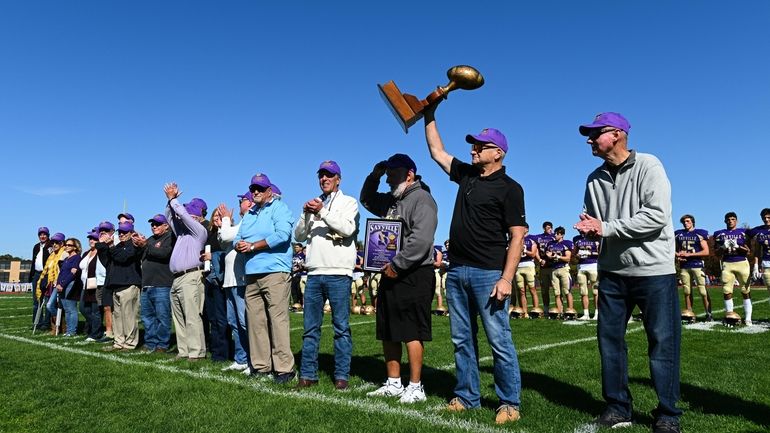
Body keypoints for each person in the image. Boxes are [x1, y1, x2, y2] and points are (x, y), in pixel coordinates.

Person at [574, 112, 681, 433]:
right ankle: (618, 407)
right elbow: (595, 219)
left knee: (663, 342)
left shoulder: (649, 165)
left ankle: (667, 414)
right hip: (612, 273)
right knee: (609, 342)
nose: (590, 140)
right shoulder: (593, 178)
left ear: (617, 134)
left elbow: (656, 217)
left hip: (653, 272)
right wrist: (589, 227)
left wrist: (605, 227)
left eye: (595, 134)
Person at [424, 105, 526, 424]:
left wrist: (506, 278)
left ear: (498, 153)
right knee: (461, 338)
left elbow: (518, 236)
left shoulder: (511, 188)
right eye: (473, 145)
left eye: (480, 146)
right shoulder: (467, 175)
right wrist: (429, 114)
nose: (473, 149)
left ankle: (509, 402)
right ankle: (467, 395)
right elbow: (436, 151)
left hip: (489, 274)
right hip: (457, 272)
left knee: (499, 339)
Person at [360, 153, 437, 404]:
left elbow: (421, 239)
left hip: (414, 273)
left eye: (394, 173)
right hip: (390, 272)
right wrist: (374, 175)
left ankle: (416, 386)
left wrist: (398, 264)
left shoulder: (422, 198)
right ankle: (394, 382)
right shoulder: (392, 200)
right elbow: (367, 199)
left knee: (412, 330)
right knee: (389, 329)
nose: (389, 179)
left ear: (410, 174)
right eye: (388, 173)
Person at [295, 160, 359, 390]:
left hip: (339, 273)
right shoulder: (314, 204)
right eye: (321, 175)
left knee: (340, 327)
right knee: (310, 329)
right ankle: (308, 374)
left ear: (338, 179)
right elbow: (299, 235)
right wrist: (305, 213)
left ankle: (342, 375)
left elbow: (347, 229)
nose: (324, 179)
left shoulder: (349, 202)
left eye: (329, 175)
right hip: (314, 272)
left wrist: (321, 211)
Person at [233, 173, 295, 383]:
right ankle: (261, 366)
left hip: (275, 271)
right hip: (252, 273)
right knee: (255, 321)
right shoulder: (250, 213)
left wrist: (252, 245)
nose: (256, 192)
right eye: (253, 189)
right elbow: (237, 238)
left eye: (260, 188)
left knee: (277, 320)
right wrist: (239, 245)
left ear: (269, 191)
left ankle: (284, 368)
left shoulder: (280, 208)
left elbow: (283, 234)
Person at [165, 183, 208, 361]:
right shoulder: (182, 233)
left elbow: (181, 214)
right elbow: (170, 216)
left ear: (197, 216)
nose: (185, 215)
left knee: (192, 316)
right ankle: (184, 351)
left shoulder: (199, 230)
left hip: (191, 276)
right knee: (179, 317)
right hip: (176, 278)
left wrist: (174, 200)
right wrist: (170, 203)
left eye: (191, 213)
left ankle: (196, 352)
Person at [217, 194, 252, 372]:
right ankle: (241, 358)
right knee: (234, 322)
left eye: (242, 200)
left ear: (250, 203)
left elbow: (226, 235)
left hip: (241, 280)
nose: (239, 203)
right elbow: (223, 241)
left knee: (244, 321)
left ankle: (253, 360)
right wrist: (225, 224)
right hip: (230, 280)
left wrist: (225, 220)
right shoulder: (239, 223)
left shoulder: (248, 221)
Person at [133, 214, 176, 353]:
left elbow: (164, 254)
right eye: (152, 224)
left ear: (166, 225)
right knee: (147, 317)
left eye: (157, 224)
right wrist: (138, 245)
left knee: (162, 317)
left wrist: (145, 245)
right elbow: (140, 257)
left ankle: (162, 345)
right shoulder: (150, 240)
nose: (154, 226)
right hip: (147, 284)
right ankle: (150, 342)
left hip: (162, 284)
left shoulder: (170, 238)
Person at [97, 221, 143, 351]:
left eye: (125, 232)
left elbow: (123, 258)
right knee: (117, 317)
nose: (122, 234)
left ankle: (130, 343)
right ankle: (119, 342)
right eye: (120, 232)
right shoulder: (117, 247)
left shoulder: (134, 245)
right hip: (116, 286)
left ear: (131, 233)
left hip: (129, 285)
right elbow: (106, 260)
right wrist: (101, 243)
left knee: (129, 317)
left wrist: (111, 245)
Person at [713, 212, 752, 325]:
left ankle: (748, 318)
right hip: (727, 263)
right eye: (728, 219)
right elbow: (716, 253)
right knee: (726, 291)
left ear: (736, 221)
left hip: (741, 262)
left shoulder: (743, 232)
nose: (730, 221)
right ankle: (730, 315)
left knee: (745, 290)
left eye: (733, 219)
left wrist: (737, 246)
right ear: (725, 221)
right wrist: (723, 247)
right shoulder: (719, 234)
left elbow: (748, 251)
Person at [203, 206, 229, 363]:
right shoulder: (210, 235)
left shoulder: (226, 235)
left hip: (221, 279)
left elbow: (228, 253)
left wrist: (212, 255)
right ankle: (215, 350)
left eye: (219, 217)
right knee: (212, 316)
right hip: (209, 278)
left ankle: (223, 352)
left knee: (221, 318)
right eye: (214, 216)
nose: (216, 219)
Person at [674, 214, 711, 320]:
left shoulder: (700, 233)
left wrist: (689, 255)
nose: (686, 223)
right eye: (684, 222)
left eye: (688, 221)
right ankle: (689, 313)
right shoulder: (678, 234)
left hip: (697, 265)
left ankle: (708, 313)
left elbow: (706, 251)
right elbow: (673, 248)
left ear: (692, 222)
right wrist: (678, 255)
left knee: (702, 291)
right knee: (687, 291)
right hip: (684, 265)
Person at [79, 230, 106, 341]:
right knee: (83, 309)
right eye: (90, 238)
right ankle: (97, 328)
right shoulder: (86, 253)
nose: (91, 240)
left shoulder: (100, 252)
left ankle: (95, 333)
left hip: (96, 284)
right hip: (85, 285)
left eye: (94, 238)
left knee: (95, 310)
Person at [56, 238, 83, 337]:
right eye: (66, 245)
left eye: (69, 245)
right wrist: (58, 283)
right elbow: (62, 273)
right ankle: (68, 330)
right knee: (66, 309)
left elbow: (73, 273)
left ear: (75, 247)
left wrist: (62, 284)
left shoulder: (77, 258)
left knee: (71, 308)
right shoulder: (66, 259)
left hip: (70, 285)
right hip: (62, 285)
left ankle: (72, 331)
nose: (66, 246)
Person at [40, 233, 67, 334]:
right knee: (53, 305)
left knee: (51, 305)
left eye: (57, 242)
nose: (54, 244)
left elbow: (63, 270)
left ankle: (61, 326)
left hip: (59, 283)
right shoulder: (52, 255)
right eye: (53, 243)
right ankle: (55, 328)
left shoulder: (64, 254)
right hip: (50, 284)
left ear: (62, 243)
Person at [572, 232, 600, 320]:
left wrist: (590, 253)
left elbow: (601, 253)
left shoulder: (596, 238)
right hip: (581, 266)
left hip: (593, 265)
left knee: (596, 291)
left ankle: (597, 313)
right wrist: (577, 255)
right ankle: (586, 313)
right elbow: (574, 253)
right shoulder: (577, 240)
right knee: (583, 292)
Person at [545, 226, 573, 314]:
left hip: (563, 268)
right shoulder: (550, 244)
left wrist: (558, 257)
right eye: (555, 233)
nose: (555, 235)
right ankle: (560, 312)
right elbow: (547, 254)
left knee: (567, 291)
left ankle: (570, 311)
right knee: (557, 293)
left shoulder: (567, 243)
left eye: (557, 234)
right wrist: (548, 256)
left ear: (562, 235)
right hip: (554, 269)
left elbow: (568, 258)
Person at [96, 221, 116, 339]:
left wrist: (106, 243)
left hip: (115, 278)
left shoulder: (115, 241)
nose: (103, 232)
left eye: (106, 230)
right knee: (106, 306)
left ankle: (113, 331)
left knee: (113, 307)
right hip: (107, 279)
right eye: (101, 230)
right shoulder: (101, 244)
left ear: (112, 232)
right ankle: (109, 331)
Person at [30, 227, 51, 330]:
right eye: (40, 234)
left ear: (48, 235)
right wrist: (32, 276)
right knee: (36, 301)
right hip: (37, 275)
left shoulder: (51, 245)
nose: (42, 236)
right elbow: (33, 262)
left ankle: (46, 323)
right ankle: (36, 322)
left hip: (46, 275)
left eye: (44, 234)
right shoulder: (36, 246)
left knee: (46, 300)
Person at [516, 224, 540, 315]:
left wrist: (525, 251)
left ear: (526, 229)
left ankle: (536, 310)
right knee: (521, 290)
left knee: (532, 289)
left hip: (528, 265)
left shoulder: (531, 239)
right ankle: (524, 312)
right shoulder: (517, 239)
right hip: (518, 266)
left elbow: (533, 254)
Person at [533, 221, 556, 311]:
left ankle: (560, 308)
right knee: (544, 290)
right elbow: (535, 248)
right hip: (543, 266)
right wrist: (539, 260)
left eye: (550, 228)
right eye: (547, 228)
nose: (549, 229)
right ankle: (546, 308)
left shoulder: (555, 236)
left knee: (556, 289)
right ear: (544, 228)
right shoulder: (539, 237)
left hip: (553, 266)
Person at [749, 208, 770, 300]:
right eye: (764, 218)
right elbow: (757, 250)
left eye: (768, 217)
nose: (766, 220)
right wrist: (756, 265)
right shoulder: (758, 231)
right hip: (766, 263)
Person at [290, 242, 306, 307]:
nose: (295, 248)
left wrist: (296, 269)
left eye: (297, 247)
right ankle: (295, 303)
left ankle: (301, 303)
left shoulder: (303, 255)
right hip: (294, 275)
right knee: (293, 290)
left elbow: (302, 265)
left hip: (300, 275)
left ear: (301, 248)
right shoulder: (294, 255)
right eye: (295, 247)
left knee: (299, 290)